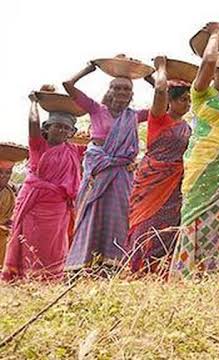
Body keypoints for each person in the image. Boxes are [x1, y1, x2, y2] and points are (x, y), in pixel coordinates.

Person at [171, 23, 219, 279]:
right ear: (214, 72)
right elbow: (207, 62)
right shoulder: (202, 94)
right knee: (195, 215)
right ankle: (187, 272)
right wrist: (215, 35)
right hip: (202, 165)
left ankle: (215, 273)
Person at [62, 62, 149, 275]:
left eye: (126, 89)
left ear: (132, 94)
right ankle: (83, 264)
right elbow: (68, 85)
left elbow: (164, 105)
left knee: (119, 214)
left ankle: (112, 264)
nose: (121, 92)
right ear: (109, 90)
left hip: (121, 174)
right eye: (117, 87)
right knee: (92, 212)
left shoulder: (134, 116)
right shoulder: (95, 109)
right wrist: (88, 70)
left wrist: (151, 78)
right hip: (98, 171)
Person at [2, 92, 83, 281]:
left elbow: (99, 138)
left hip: (58, 208)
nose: (61, 130)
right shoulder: (38, 146)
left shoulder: (72, 151)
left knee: (54, 244)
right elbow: (32, 124)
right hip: (34, 204)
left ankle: (50, 278)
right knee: (29, 239)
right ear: (47, 128)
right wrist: (34, 104)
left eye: (66, 128)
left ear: (72, 133)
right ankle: (25, 278)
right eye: (57, 126)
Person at [127, 57, 192, 275]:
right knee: (146, 220)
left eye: (189, 101)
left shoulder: (187, 127)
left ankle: (160, 271)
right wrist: (161, 67)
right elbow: (160, 91)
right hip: (152, 180)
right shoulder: (159, 118)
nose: (187, 104)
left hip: (175, 182)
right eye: (183, 100)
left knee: (169, 224)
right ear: (170, 101)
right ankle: (137, 268)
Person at [0, 158, 17, 270]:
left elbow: (9, 217)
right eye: (0, 172)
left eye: (8, 172)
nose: (3, 176)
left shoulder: (9, 193)